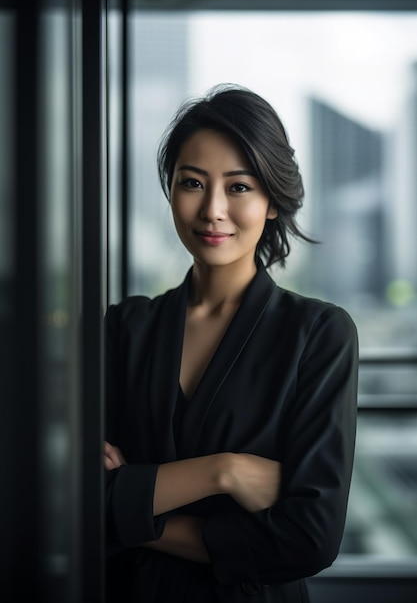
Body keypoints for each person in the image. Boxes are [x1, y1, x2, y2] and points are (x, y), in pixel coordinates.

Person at [104, 84, 359, 603]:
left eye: (239, 187)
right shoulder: (123, 329)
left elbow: (309, 538)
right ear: (171, 191)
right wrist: (226, 472)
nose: (213, 209)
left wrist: (134, 512)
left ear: (271, 201)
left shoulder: (318, 335)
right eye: (192, 182)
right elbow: (66, 498)